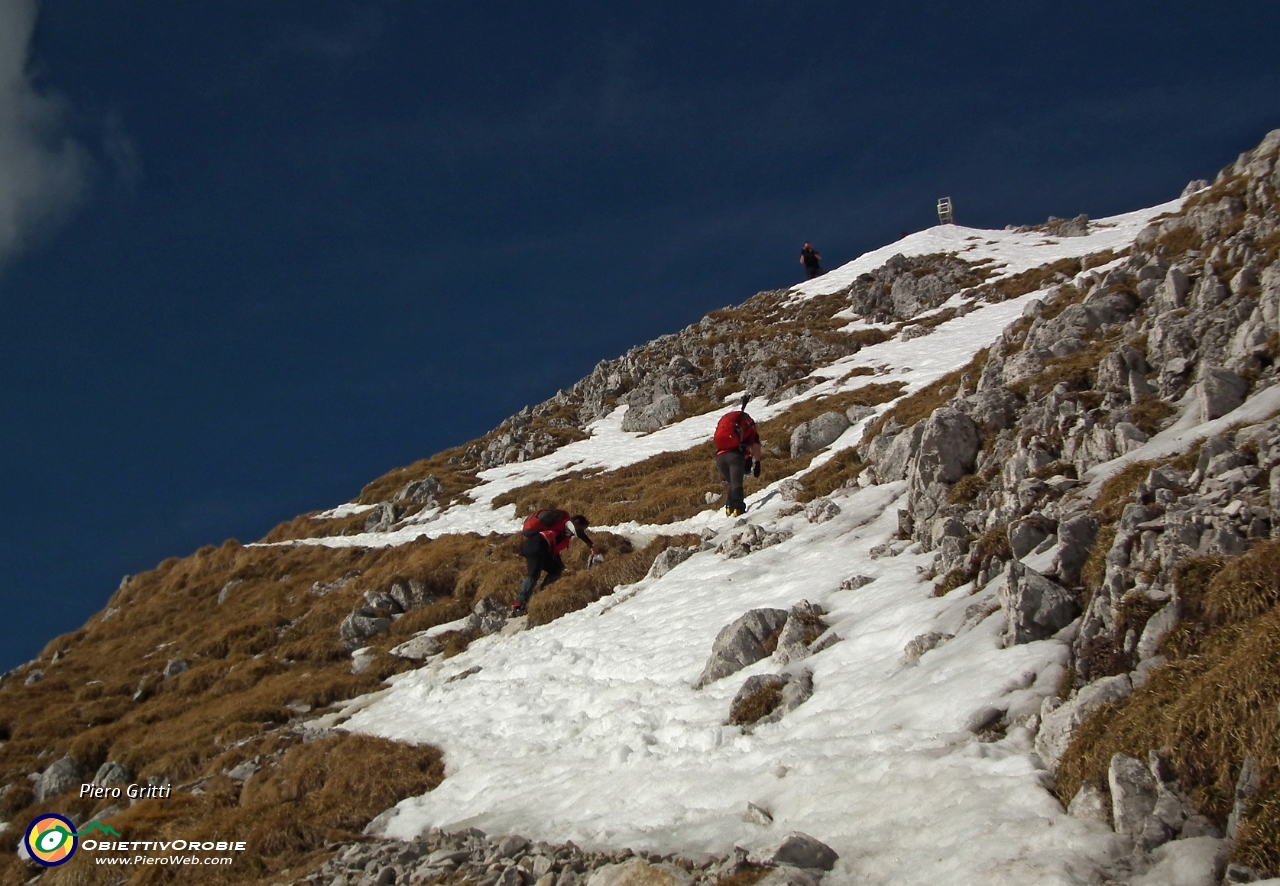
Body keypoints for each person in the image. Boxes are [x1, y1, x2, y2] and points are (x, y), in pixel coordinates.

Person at [511, 509, 597, 616]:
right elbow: (577, 531)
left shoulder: (562, 534)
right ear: (578, 523)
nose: (583, 530)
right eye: (583, 528)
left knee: (556, 570)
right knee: (533, 574)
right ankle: (519, 604)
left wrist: (562, 567)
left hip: (540, 548)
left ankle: (540, 595)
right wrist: (591, 545)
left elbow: (554, 553)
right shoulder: (567, 522)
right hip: (536, 546)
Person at [713, 403, 762, 518]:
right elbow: (755, 446)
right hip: (734, 457)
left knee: (732, 483)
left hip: (720, 457)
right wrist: (758, 462)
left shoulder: (732, 430)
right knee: (736, 483)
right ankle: (738, 508)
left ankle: (729, 507)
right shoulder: (751, 432)